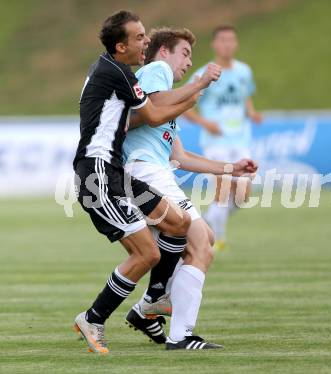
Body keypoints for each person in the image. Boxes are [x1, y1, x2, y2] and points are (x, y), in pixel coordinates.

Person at [122, 27, 258, 350]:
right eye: (184, 53)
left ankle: (149, 310)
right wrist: (198, 85)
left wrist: (231, 168)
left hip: (158, 174)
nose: (188, 62)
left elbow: (180, 156)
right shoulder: (155, 72)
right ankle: (176, 330)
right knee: (200, 243)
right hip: (145, 174)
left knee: (205, 239)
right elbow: (153, 107)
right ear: (164, 52)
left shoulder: (168, 98)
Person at [72, 11, 197, 354]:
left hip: (114, 173)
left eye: (145, 36)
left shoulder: (111, 71)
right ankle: (93, 318)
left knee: (178, 222)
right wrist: (196, 90)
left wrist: (187, 96)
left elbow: (150, 113)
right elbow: (155, 115)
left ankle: (155, 299)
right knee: (147, 252)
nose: (146, 42)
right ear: (120, 45)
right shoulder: (116, 73)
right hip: (96, 176)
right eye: (139, 37)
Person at [184, 26, 262, 250]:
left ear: (235, 44)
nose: (227, 44)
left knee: (243, 195)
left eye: (231, 40)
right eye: (223, 40)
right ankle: (217, 239)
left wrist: (252, 112)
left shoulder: (243, 71)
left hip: (240, 140)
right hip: (215, 142)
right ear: (214, 45)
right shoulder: (205, 73)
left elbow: (245, 97)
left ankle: (207, 220)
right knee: (224, 189)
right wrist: (205, 123)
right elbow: (186, 104)